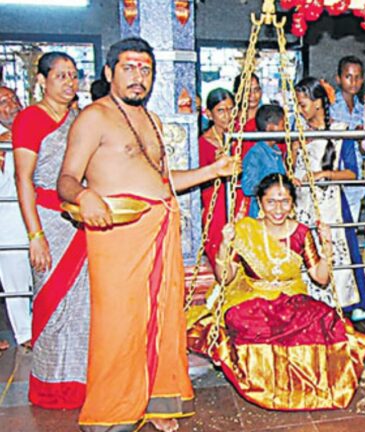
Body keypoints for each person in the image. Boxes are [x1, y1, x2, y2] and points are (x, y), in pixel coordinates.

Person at [56, 37, 239, 432]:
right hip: (118, 232)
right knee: (119, 321)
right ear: (109, 73)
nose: (139, 77)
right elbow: (66, 179)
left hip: (159, 228)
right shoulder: (94, 117)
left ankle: (155, 401)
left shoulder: (153, 121)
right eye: (129, 68)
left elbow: (162, 182)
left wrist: (213, 170)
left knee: (161, 316)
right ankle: (111, 411)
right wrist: (84, 195)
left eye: (145, 69)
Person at [187, 173, 365, 410]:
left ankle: (306, 388)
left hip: (292, 297)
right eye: (271, 202)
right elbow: (226, 277)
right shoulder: (245, 230)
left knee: (327, 320)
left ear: (293, 204)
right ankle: (267, 387)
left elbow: (321, 278)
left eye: (284, 201)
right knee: (244, 322)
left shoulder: (301, 233)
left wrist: (327, 246)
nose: (278, 208)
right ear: (261, 204)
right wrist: (225, 244)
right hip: (252, 296)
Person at [12, 52, 89, 409]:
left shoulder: (80, 119)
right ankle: (50, 387)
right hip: (48, 220)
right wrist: (35, 235)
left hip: (81, 221)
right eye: (61, 76)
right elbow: (23, 179)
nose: (69, 82)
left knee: (83, 306)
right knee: (51, 303)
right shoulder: (30, 119)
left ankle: (82, 382)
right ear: (42, 80)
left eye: (73, 76)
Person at [291, 77, 365, 317]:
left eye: (303, 104)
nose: (300, 109)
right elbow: (291, 168)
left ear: (318, 103)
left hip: (330, 205)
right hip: (302, 204)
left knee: (336, 256)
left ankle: (338, 311)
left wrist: (324, 173)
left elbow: (352, 173)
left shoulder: (340, 132)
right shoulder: (298, 133)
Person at [199, 88, 251, 264]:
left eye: (231, 109)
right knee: (222, 259)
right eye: (221, 111)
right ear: (209, 114)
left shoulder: (243, 136)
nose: (227, 116)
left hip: (243, 204)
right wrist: (216, 168)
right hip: (217, 209)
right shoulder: (202, 144)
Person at [0, 86, 32, 352]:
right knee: (16, 282)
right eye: (3, 102)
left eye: (14, 99)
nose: (12, 105)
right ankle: (25, 333)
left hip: (35, 219)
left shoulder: (30, 131)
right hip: (8, 224)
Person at [329, 56, 365, 221]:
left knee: (351, 228)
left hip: (355, 180)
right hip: (334, 176)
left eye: (357, 77)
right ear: (338, 78)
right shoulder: (329, 106)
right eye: (348, 76)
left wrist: (362, 140)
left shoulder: (364, 111)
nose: (353, 82)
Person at [241, 104, 287, 218]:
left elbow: (281, 177)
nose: (286, 129)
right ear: (271, 127)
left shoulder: (276, 151)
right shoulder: (255, 154)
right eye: (283, 125)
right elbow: (248, 187)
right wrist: (272, 188)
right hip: (261, 214)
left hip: (279, 212)